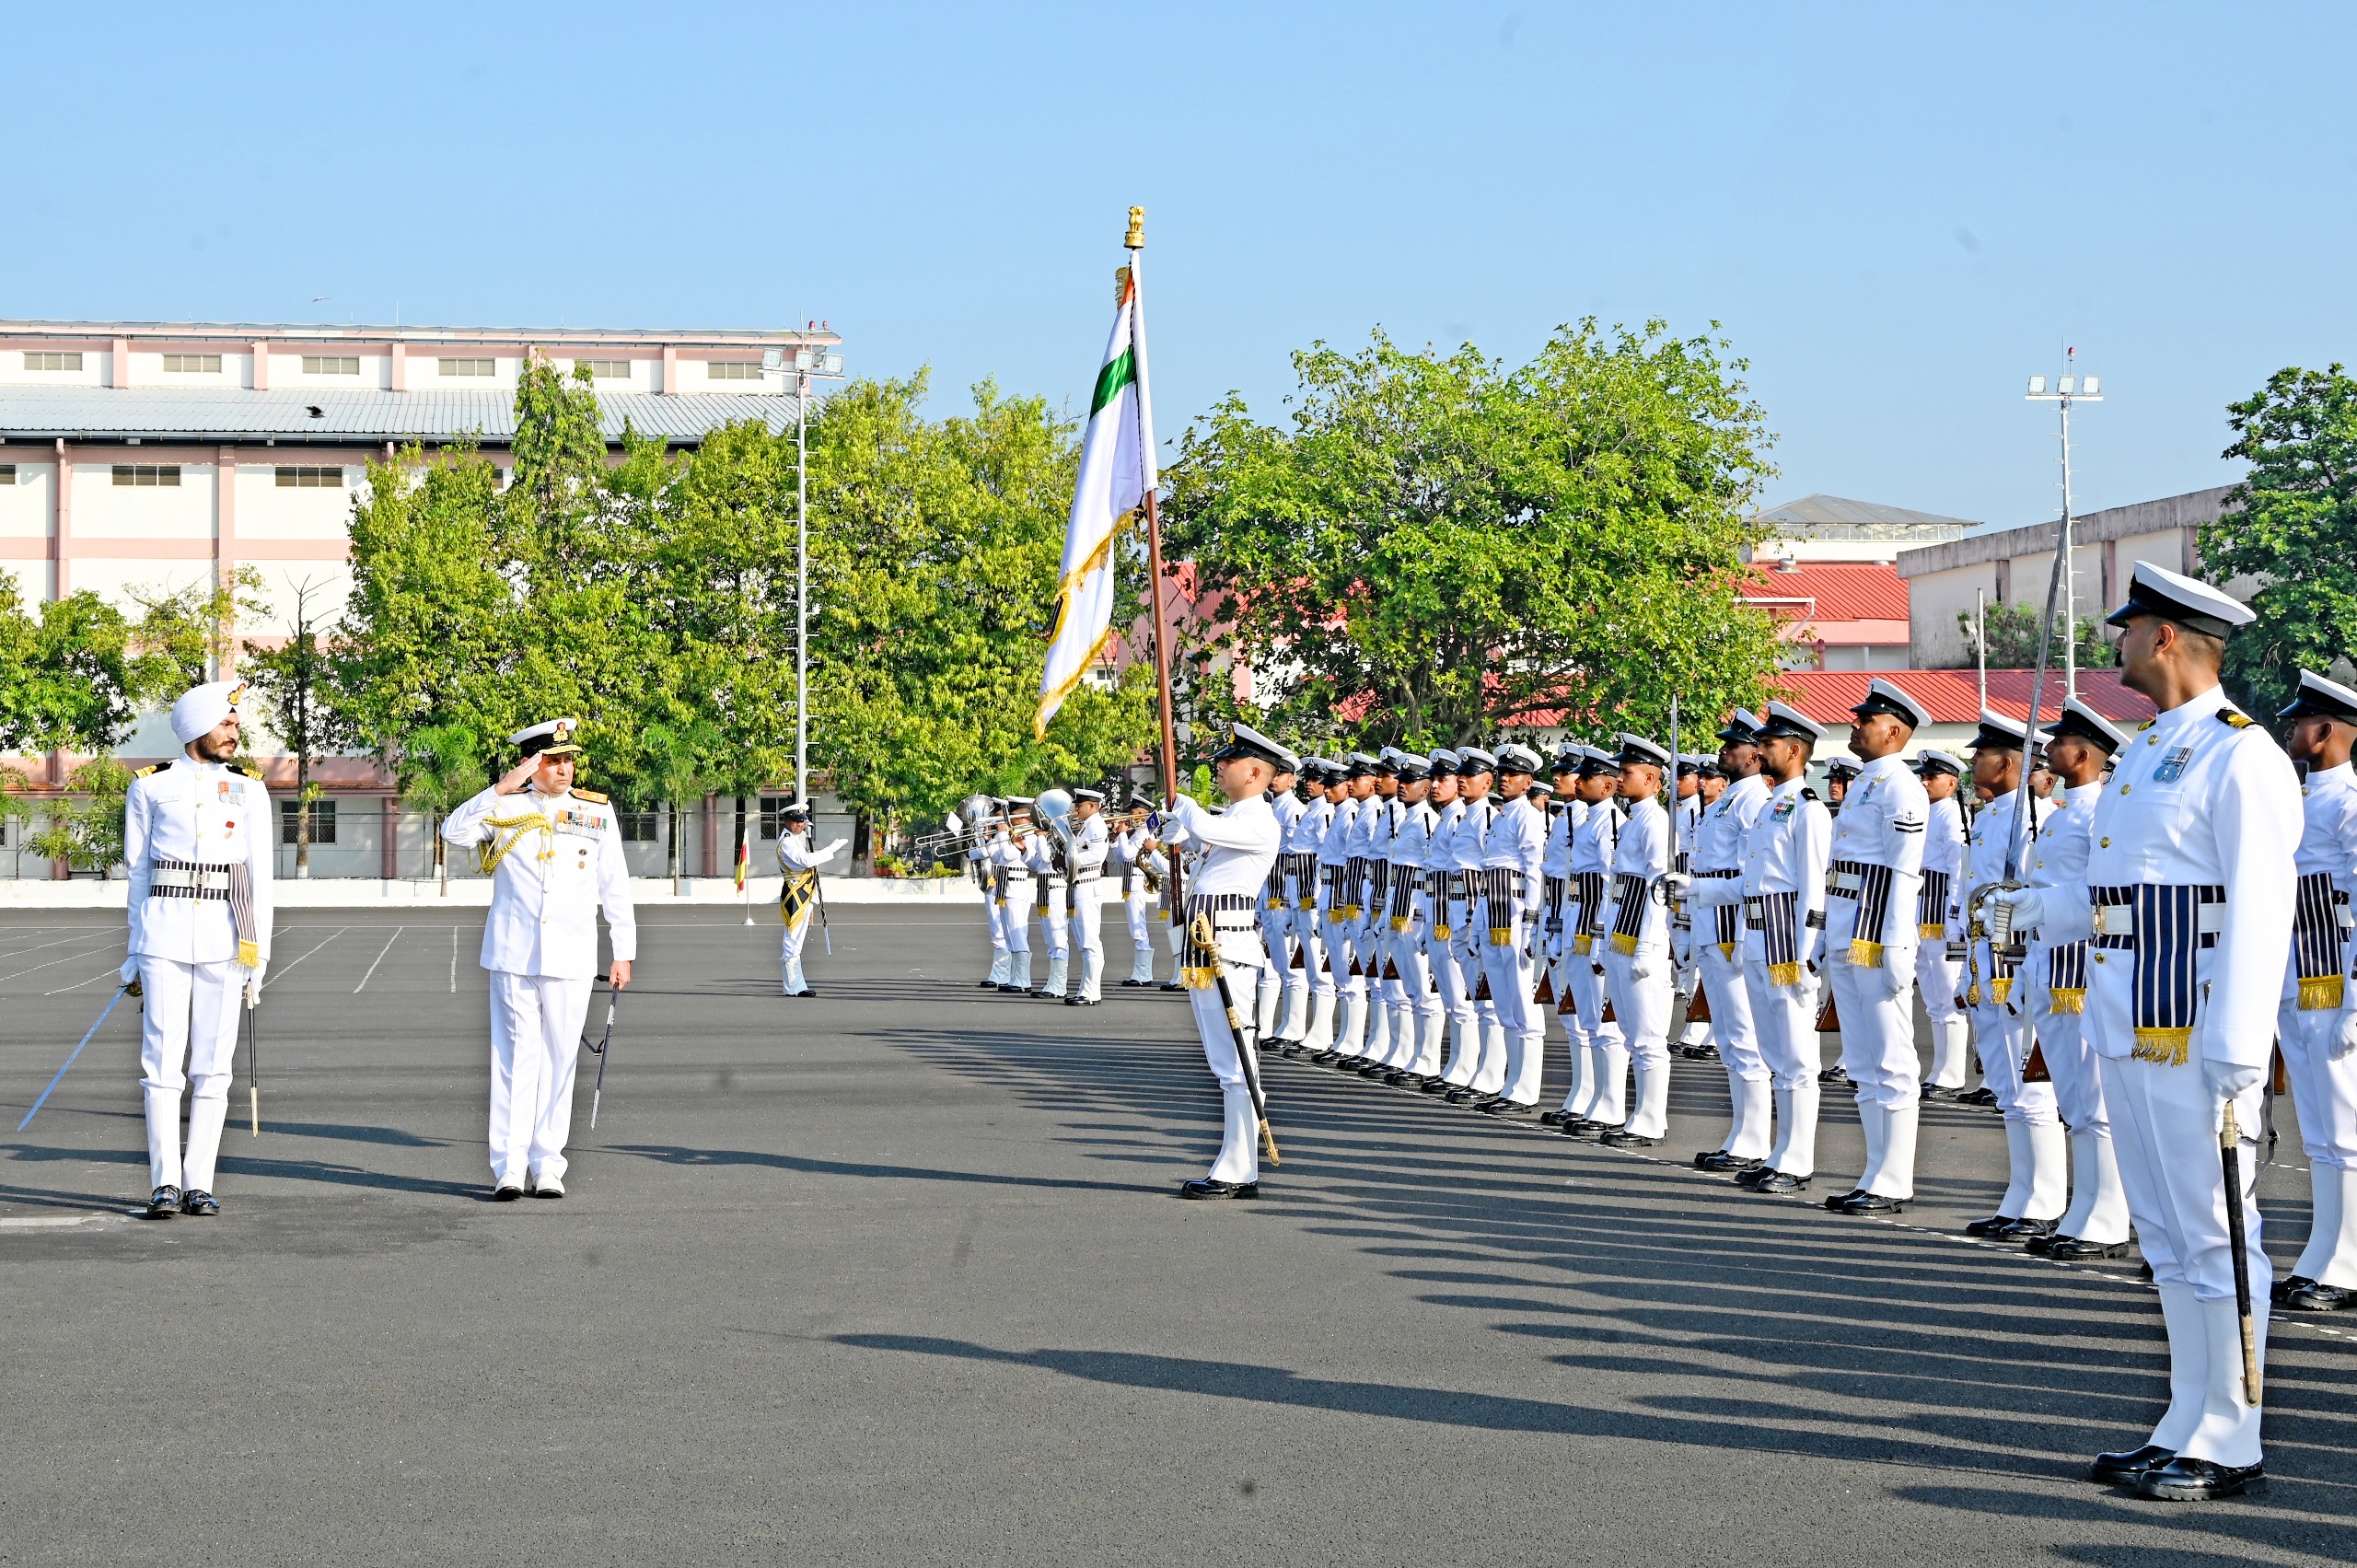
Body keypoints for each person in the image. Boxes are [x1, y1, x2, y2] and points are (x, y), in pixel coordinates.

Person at [1994, 562, 2296, 1502]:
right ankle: (2186, 1413)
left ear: (2166, 637)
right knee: (2166, 1233)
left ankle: (2233, 1430)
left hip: (2198, 1026)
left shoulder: (2239, 753)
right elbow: (2124, 896)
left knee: (2215, 1229)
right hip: (2131, 1016)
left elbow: (2257, 903)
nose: (2115, 640)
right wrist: (2042, 908)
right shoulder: (2150, 750)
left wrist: (2239, 1044)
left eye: (2128, 628)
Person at [443, 718, 636, 1201]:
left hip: (571, 954)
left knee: (560, 1059)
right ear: (532, 764)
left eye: (569, 759)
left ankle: (548, 1163)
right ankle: (508, 1167)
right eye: (554, 760)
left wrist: (623, 951)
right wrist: (500, 787)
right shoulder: (504, 807)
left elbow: (614, 883)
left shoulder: (596, 812)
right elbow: (454, 831)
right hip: (513, 954)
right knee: (512, 1061)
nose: (566, 768)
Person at [121, 679, 274, 1219]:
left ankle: (199, 1181)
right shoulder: (150, 787)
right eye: (226, 724)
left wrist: (259, 958)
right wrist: (135, 950)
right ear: (195, 728)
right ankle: (164, 1182)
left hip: (227, 938)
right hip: (163, 935)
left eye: (235, 723)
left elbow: (259, 878)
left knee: (214, 1067)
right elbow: (139, 875)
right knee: (161, 1064)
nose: (235, 733)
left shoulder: (249, 790)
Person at [2018, 699, 2132, 1259]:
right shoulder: (2064, 811)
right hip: (2049, 960)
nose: (2048, 749)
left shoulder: (2099, 814)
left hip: (2082, 966)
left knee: (2095, 1097)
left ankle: (2108, 1214)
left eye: (2059, 741)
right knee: (2073, 1097)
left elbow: (2102, 896)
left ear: (2084, 754)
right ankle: (2084, 1205)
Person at [1162, 724, 1291, 1199]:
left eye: (1229, 760)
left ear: (1255, 772)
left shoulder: (1257, 820)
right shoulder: (1235, 818)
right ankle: (1237, 1162)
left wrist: (1187, 810)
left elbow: (1207, 828)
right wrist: (1175, 828)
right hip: (1204, 949)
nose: (1219, 765)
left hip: (1228, 952)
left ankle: (1239, 1168)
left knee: (1237, 1061)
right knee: (1224, 1061)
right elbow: (1199, 840)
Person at [1819, 679, 1931, 1215]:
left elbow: (1904, 872)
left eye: (1866, 719)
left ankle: (1895, 1177)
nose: (1855, 724)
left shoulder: (1900, 787)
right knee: (1863, 1060)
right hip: (1847, 930)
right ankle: (1874, 1169)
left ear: (1894, 731)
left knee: (1892, 1059)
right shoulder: (1867, 782)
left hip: (1874, 934)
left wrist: (1894, 945)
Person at [1957, 712, 2065, 1239]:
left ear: (2007, 762)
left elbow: (2032, 898)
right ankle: (2021, 1193)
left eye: (1982, 753)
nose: (1974, 761)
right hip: (1987, 958)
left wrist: (2021, 973)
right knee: (2006, 1085)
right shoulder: (1987, 817)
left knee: (2031, 1085)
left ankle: (2044, 1200)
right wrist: (1968, 971)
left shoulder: (2032, 817)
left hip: (2017, 958)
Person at [2270, 670, 2357, 1312]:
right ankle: (2324, 1250)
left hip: (2336, 977)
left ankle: (2347, 1261)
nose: (2290, 730)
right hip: (2301, 973)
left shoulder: (2350, 801)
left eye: (2300, 722)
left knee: (2346, 1126)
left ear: (2326, 731)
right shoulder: (2300, 799)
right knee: (2321, 1131)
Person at [1730, 703, 1831, 1195]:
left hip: (1786, 940)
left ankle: (1798, 1160)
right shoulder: (1772, 804)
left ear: (1794, 751)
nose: (1758, 750)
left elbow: (1814, 887)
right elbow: (1754, 882)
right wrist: (1700, 891)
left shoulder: (1809, 807)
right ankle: (1779, 1152)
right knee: (1773, 1052)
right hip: (1756, 934)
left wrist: (1805, 951)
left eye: (1768, 745)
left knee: (1796, 1054)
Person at [1688, 714, 1772, 1170]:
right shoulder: (1728, 800)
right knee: (1727, 1035)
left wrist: (1742, 934)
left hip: (1731, 923)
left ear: (1755, 755)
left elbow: (1749, 875)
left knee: (1744, 1035)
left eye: (1733, 747)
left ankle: (1754, 1137)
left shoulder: (1752, 799)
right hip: (1710, 919)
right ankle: (1742, 1129)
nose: (1724, 753)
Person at [1597, 734, 1676, 1145]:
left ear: (1652, 779)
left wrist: (1648, 943)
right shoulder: (1633, 822)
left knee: (1648, 1036)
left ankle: (1650, 1118)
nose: (1620, 778)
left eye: (1627, 772)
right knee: (1631, 1032)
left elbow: (1658, 889)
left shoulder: (1657, 822)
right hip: (1621, 934)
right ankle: (1639, 1113)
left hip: (1640, 940)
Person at [1562, 747, 1629, 1136]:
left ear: (1606, 785)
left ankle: (1611, 1103)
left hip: (1594, 922)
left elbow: (1608, 884)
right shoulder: (1589, 820)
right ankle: (1594, 1097)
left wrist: (1601, 938)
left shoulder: (1611, 823)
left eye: (1585, 777)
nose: (1578, 782)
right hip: (1578, 918)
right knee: (1588, 1018)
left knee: (1605, 1022)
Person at [1912, 751, 1974, 1099]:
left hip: (1940, 914)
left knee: (1947, 996)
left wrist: (1954, 916)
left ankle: (1952, 1072)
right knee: (1934, 999)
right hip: (1923, 912)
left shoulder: (1951, 814)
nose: (1924, 781)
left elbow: (1957, 870)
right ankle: (1940, 1068)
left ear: (1951, 783)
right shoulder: (1928, 813)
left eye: (1931, 777)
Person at [775, 801, 845, 997]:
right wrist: (832, 849)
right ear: (787, 822)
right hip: (795, 894)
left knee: (796, 942)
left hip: (803, 893)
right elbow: (806, 861)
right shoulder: (787, 842)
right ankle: (792, 987)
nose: (801, 825)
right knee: (792, 941)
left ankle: (797, 986)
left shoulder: (795, 839)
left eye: (803, 822)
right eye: (797, 822)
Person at [1256, 763, 1305, 1037]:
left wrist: (1291, 900)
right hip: (1270, 892)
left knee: (1290, 966)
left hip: (1285, 895)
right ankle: (1269, 1026)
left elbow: (1299, 859)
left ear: (1292, 779)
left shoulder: (1293, 809)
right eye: (1272, 775)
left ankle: (1293, 1027)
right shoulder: (1271, 808)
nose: (1274, 780)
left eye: (1281, 775)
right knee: (1271, 966)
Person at [1064, 787, 1110, 1005]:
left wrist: (1069, 859)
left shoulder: (1097, 825)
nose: (1076, 810)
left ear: (1092, 806)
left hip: (1087, 886)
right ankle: (1086, 989)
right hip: (1078, 885)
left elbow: (1097, 855)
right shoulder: (1086, 827)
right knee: (1084, 942)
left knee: (1090, 942)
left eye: (1079, 805)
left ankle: (1091, 992)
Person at [1113, 796, 1166, 988]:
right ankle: (1141, 972)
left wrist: (1122, 835)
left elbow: (1128, 854)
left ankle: (1143, 974)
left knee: (1138, 927)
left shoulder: (1144, 833)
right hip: (1129, 883)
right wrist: (1117, 837)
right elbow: (1120, 857)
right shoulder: (1135, 834)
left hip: (1136, 883)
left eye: (1134, 813)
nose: (1130, 816)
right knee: (1135, 928)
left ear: (1143, 814)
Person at [994, 801, 1037, 994]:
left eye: (1014, 815)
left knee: (1018, 935)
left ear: (1024, 816)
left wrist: (1003, 833)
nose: (1010, 819)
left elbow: (1009, 853)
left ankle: (1022, 980)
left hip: (1016, 888)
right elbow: (996, 857)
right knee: (1010, 936)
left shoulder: (1028, 834)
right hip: (1005, 887)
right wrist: (993, 836)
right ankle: (1015, 977)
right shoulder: (1011, 834)